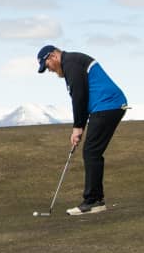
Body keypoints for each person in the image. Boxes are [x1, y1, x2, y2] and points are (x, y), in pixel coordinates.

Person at [37, 44, 127, 216]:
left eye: (46, 66)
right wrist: (80, 127)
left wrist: (78, 127)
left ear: (53, 56)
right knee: (92, 152)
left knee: (91, 152)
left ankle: (93, 201)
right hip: (106, 106)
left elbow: (79, 98)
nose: (49, 70)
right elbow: (82, 98)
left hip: (107, 105)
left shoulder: (71, 64)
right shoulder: (71, 63)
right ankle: (95, 200)